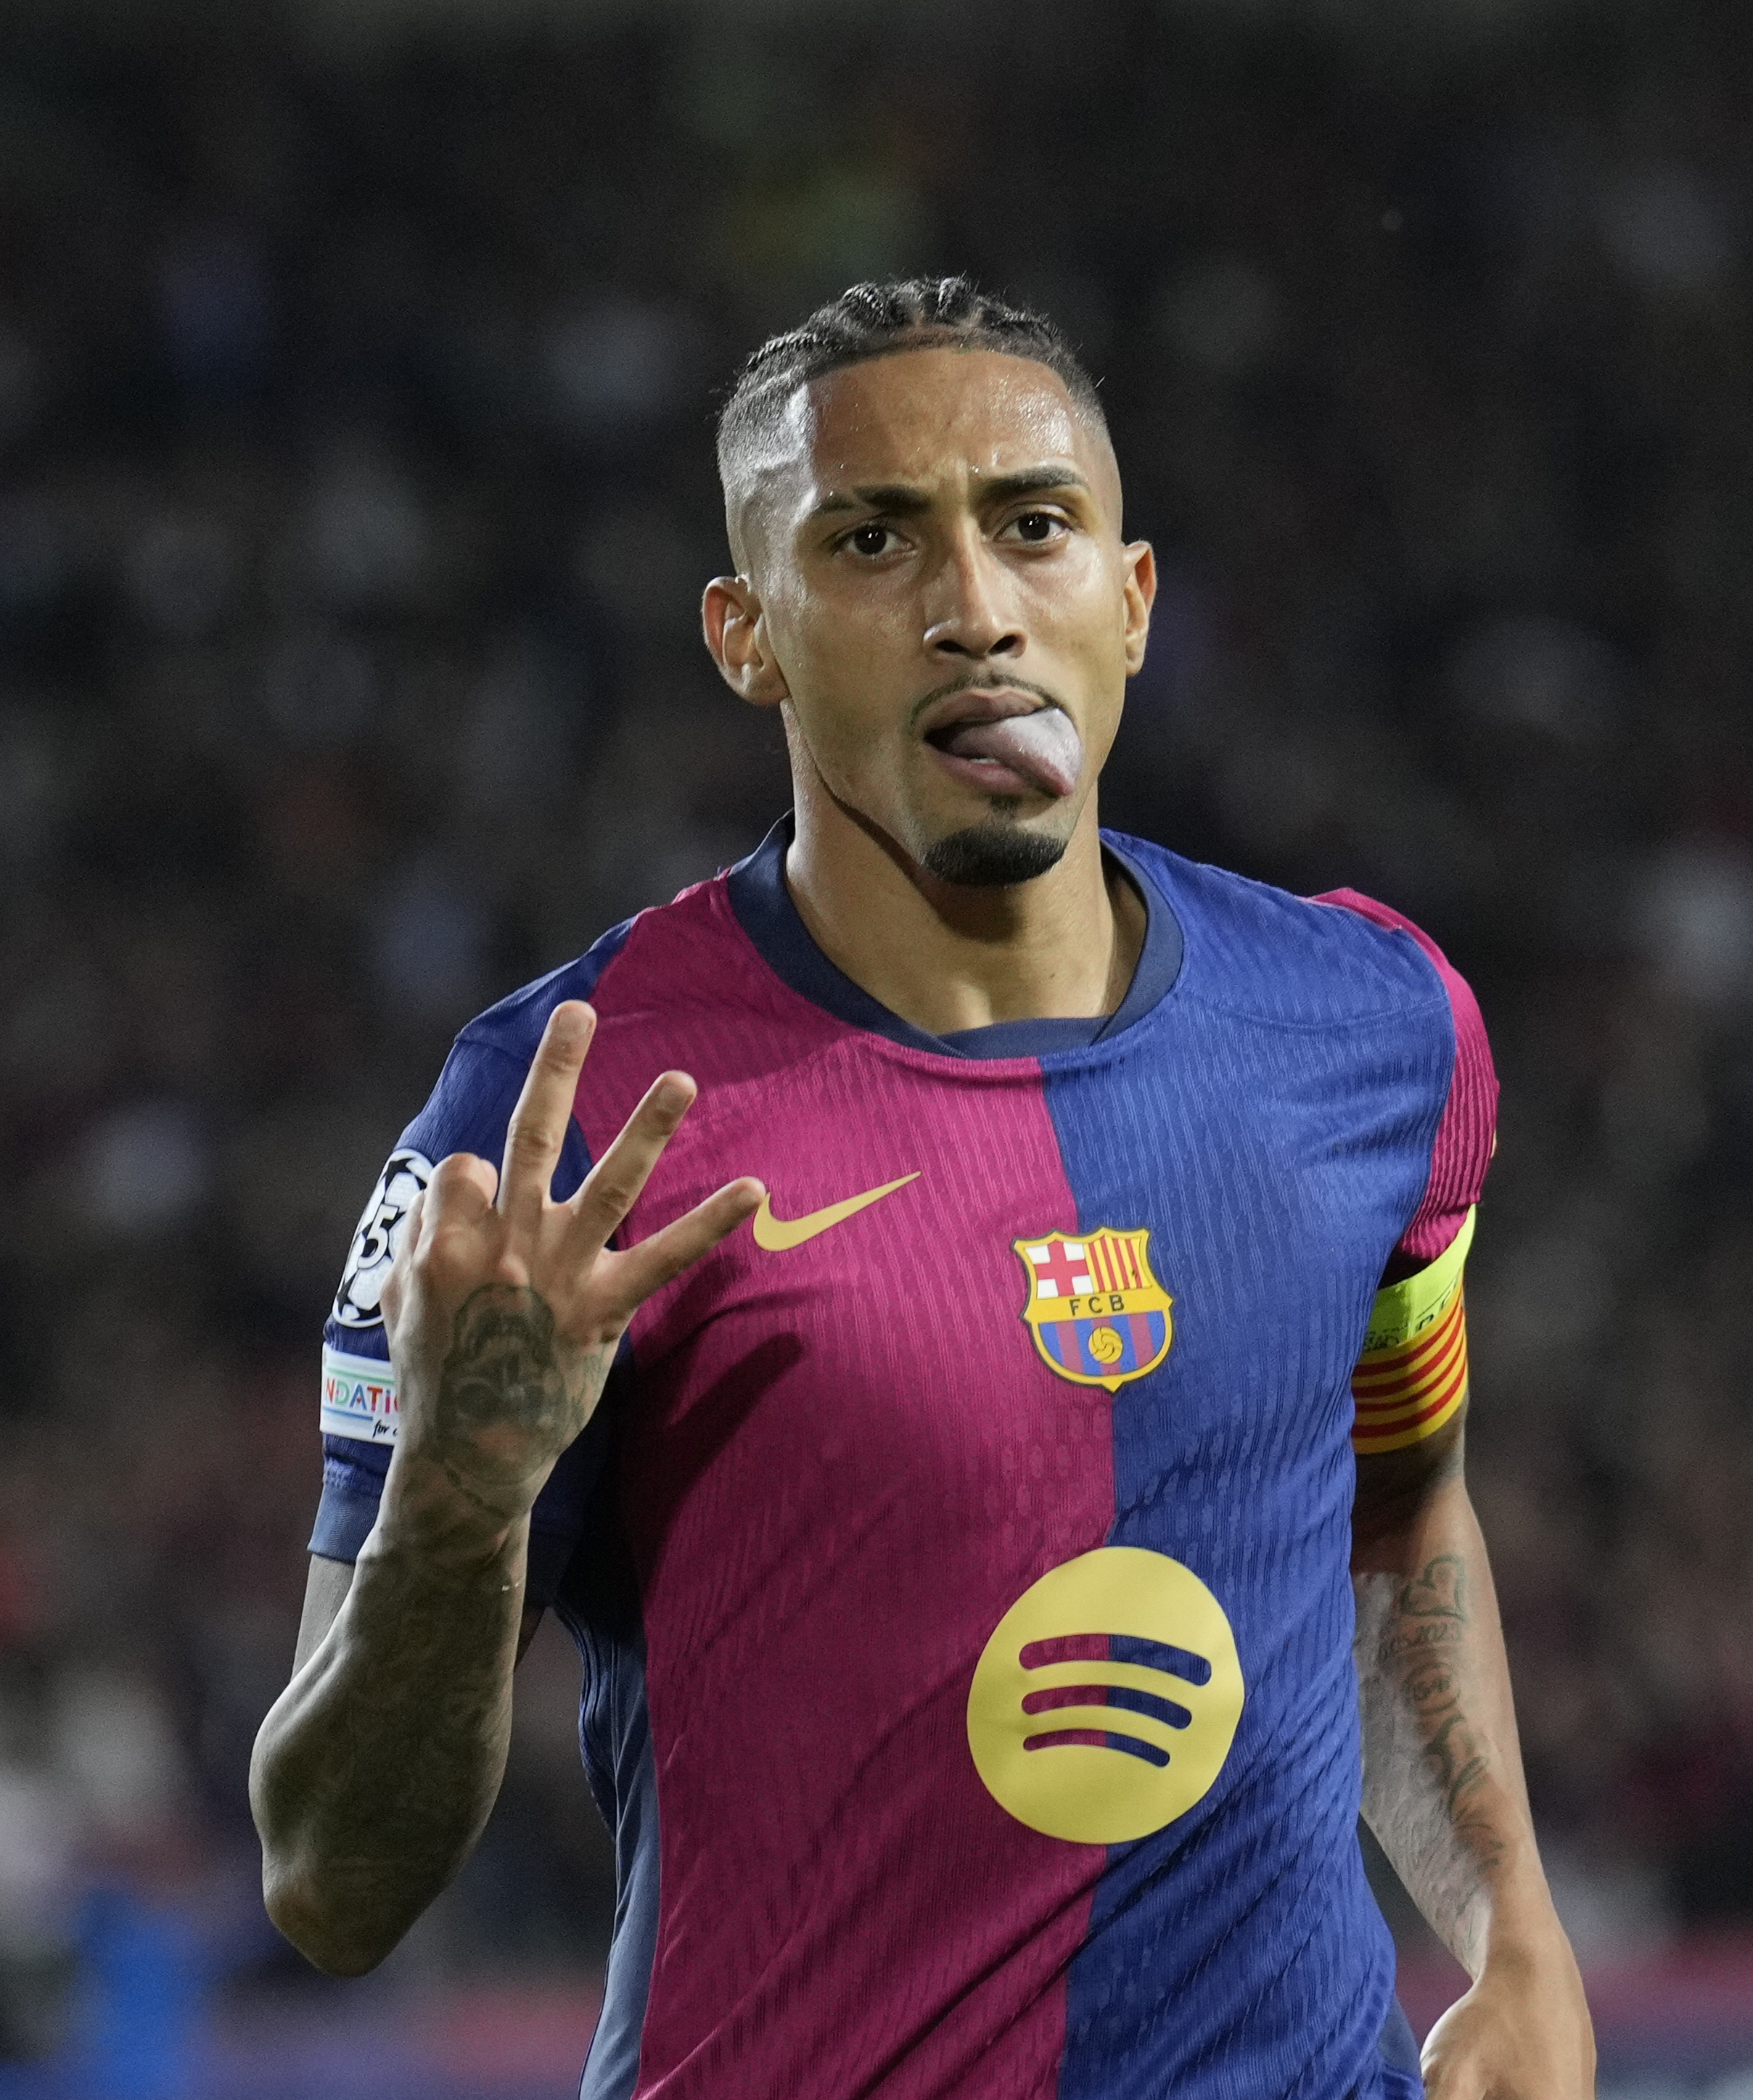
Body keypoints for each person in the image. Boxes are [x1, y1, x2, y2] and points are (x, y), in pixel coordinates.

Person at [249, 279, 1596, 2100]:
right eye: (874, 541)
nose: (975, 608)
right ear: (750, 637)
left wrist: (1511, 1926)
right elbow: (330, 1879)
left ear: (1128, 600)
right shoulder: (563, 1109)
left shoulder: (1377, 1028)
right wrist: (467, 1488)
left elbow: (1398, 1511)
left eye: (1033, 526)